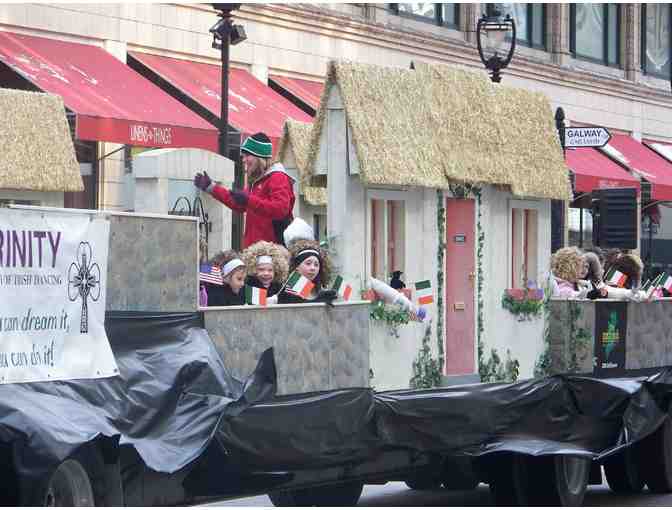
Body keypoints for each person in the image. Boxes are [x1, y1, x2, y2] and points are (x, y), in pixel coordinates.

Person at [193, 132, 296, 248]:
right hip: (255, 249)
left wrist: (248, 200)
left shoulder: (278, 177)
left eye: (247, 155)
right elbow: (239, 205)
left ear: (259, 156)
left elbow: (280, 209)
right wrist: (211, 188)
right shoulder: (258, 179)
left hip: (272, 252)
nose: (244, 160)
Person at [276, 239, 337, 305]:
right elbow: (298, 307)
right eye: (308, 263)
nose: (313, 268)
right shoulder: (293, 281)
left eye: (316, 265)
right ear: (297, 267)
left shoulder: (317, 285)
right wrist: (319, 301)